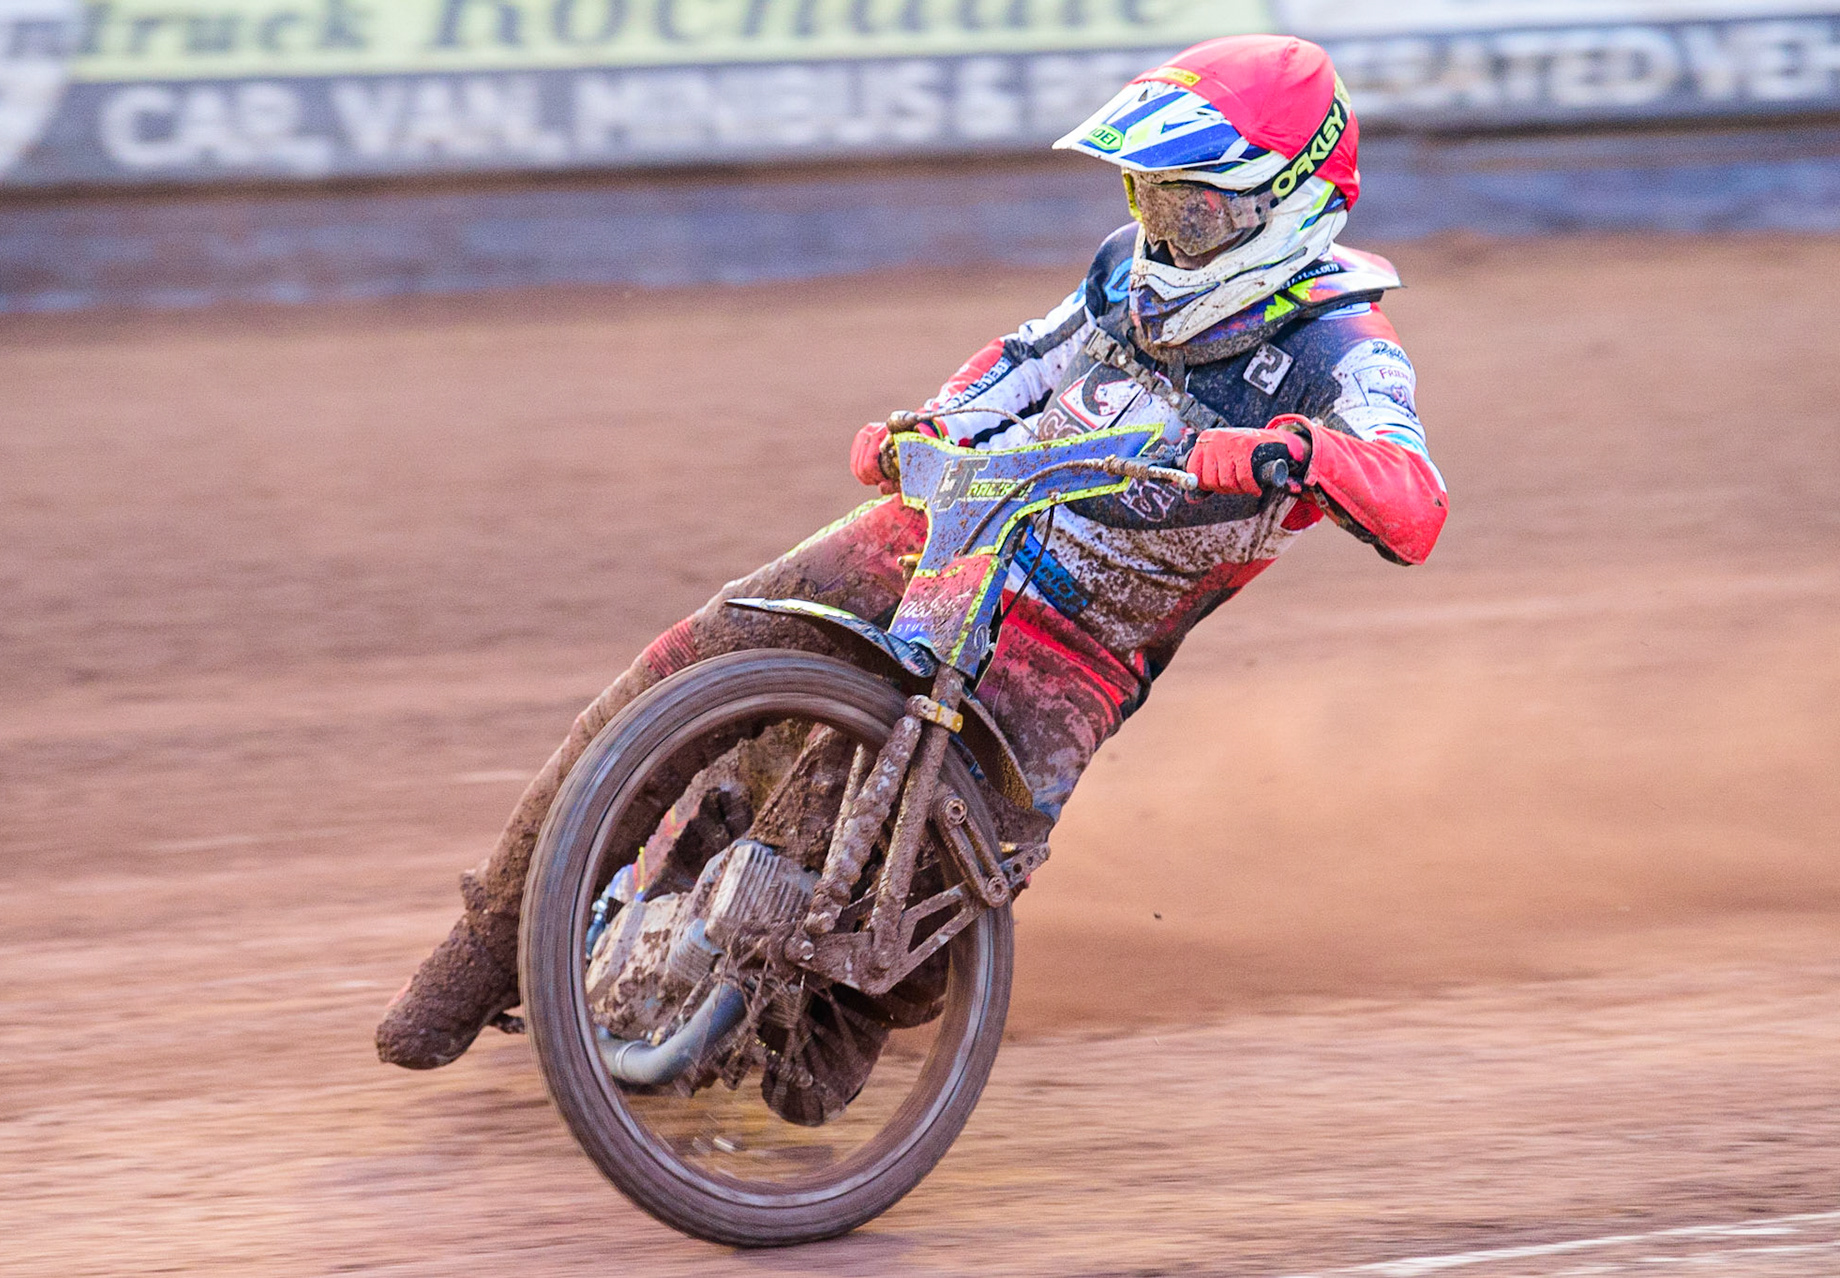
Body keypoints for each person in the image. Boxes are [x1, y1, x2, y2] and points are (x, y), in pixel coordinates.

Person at [375, 33, 1447, 1074]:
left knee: (904, 944)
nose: (1162, 226)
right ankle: (485, 953)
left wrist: (1298, 454)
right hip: (957, 531)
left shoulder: (1347, 345)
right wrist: (924, 426)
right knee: (693, 659)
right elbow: (1024, 363)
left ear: (1288, 199)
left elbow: (1417, 502)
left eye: (1192, 202)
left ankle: (788, 1008)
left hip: (1079, 643)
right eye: (1147, 194)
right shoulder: (1126, 274)